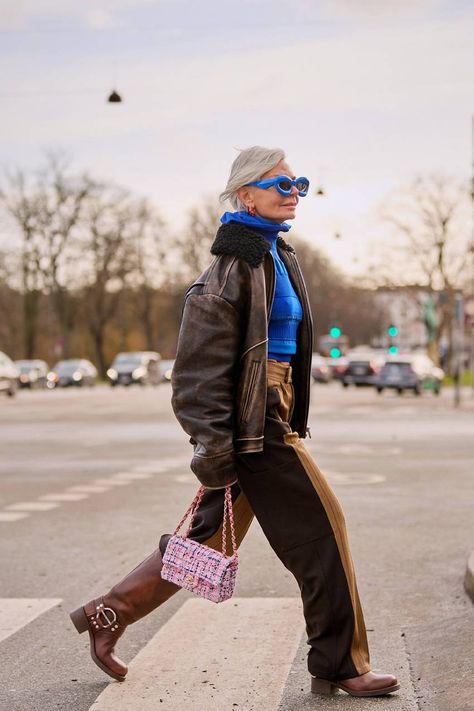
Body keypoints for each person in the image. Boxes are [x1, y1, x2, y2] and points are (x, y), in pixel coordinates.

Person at [70, 146, 399, 699]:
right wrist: (218, 450)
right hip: (253, 424)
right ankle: (340, 662)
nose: (293, 193)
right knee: (323, 531)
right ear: (245, 194)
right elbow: (195, 379)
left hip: (270, 408)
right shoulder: (226, 272)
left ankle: (109, 613)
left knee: (206, 541)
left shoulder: (277, 255)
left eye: (300, 184)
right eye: (280, 185)